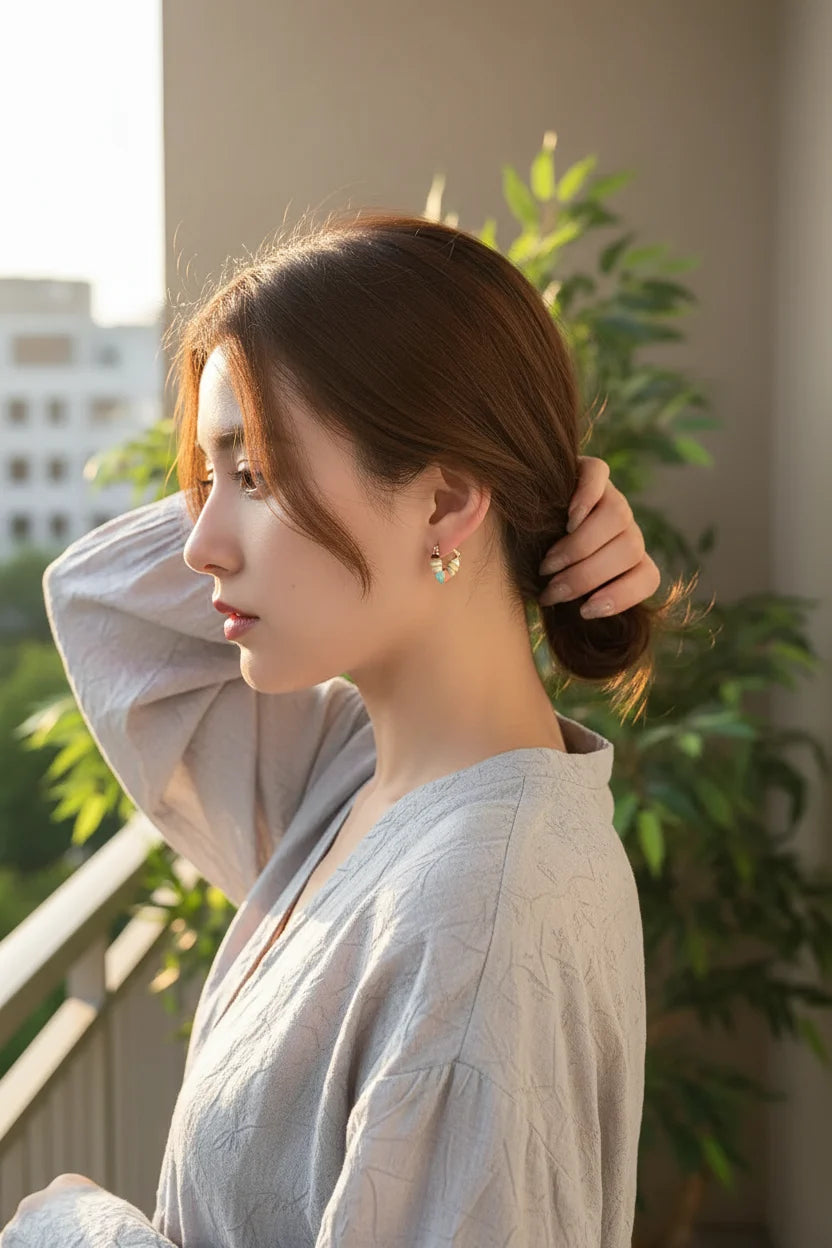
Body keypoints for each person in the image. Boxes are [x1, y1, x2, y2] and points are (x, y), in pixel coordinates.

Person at [3, 212, 669, 1247]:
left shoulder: (476, 924)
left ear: (446, 502)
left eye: (255, 475)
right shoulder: (355, 774)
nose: (200, 545)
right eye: (205, 478)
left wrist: (72, 1230)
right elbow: (103, 609)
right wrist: (532, 530)